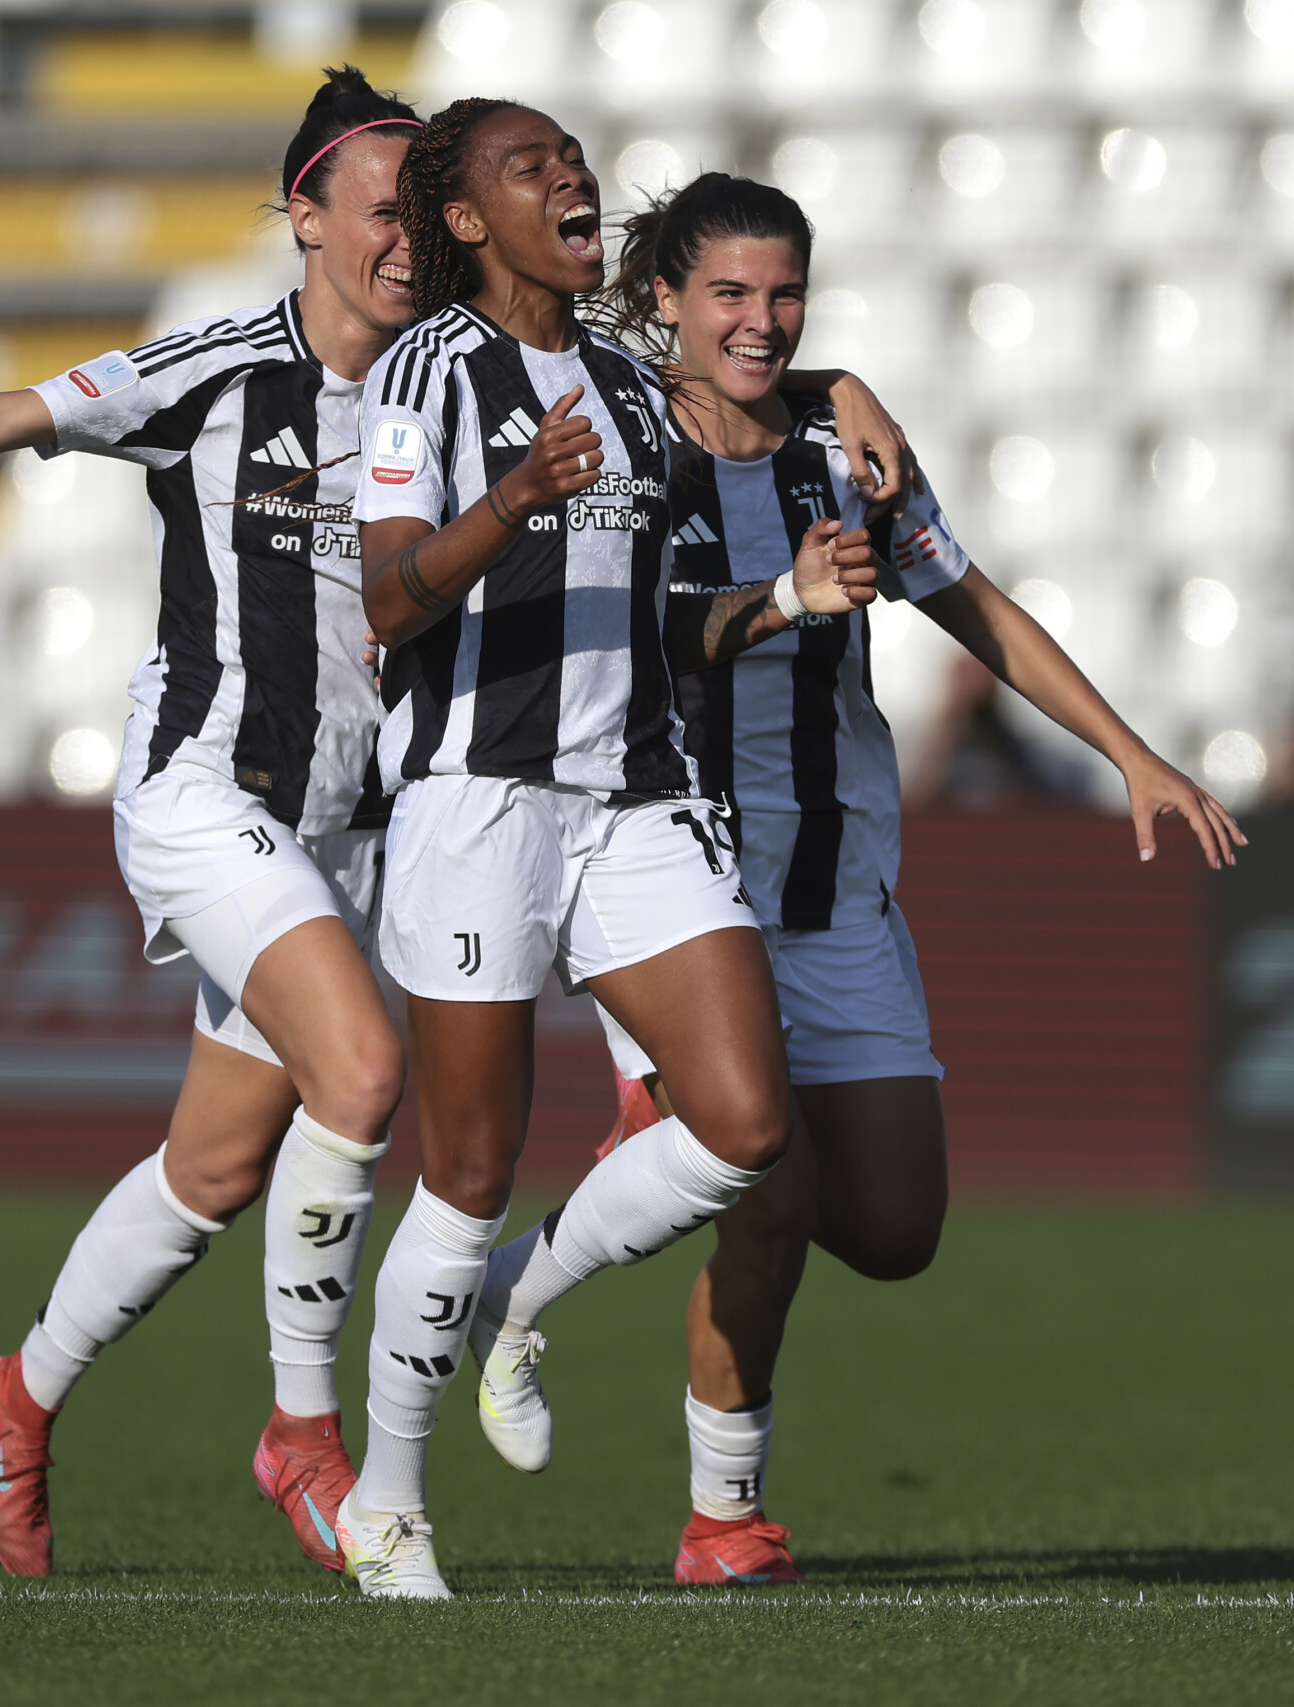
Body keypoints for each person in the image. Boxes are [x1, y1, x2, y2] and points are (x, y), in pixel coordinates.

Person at [0, 67, 428, 1578]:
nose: (409, 236)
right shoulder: (222, 368)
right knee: (363, 1069)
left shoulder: (452, 385)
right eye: (381, 205)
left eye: (425, 208)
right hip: (203, 793)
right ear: (303, 213)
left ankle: (18, 1392)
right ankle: (303, 1433)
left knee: (218, 1167)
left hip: (342, 829)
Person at [583, 173, 1244, 1585]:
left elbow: (970, 599)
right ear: (664, 302)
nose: (761, 322)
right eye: (728, 296)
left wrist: (1132, 751)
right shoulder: (618, 442)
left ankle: (656, 1161)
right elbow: (625, 634)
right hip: (679, 889)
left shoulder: (843, 445)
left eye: (784, 297)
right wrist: (775, 599)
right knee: (768, 1180)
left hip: (840, 891)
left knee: (893, 1229)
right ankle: (726, 1516)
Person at [340, 102, 888, 1600]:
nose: (570, 181)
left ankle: (517, 1294)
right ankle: (386, 1496)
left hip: (636, 796)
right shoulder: (421, 372)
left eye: (574, 163)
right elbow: (389, 601)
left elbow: (668, 624)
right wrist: (511, 499)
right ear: (468, 219)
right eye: (534, 170)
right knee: (461, 1166)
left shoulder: (641, 400)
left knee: (745, 1121)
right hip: (480, 799)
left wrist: (779, 603)